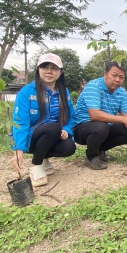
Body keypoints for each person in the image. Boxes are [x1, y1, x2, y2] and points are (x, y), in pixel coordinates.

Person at [10, 53, 76, 187]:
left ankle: (45, 161)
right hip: (33, 137)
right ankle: (36, 165)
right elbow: (20, 122)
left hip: (53, 134)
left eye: (54, 68)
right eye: (45, 67)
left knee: (69, 147)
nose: (49, 71)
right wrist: (18, 150)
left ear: (60, 72)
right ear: (38, 70)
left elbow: (71, 116)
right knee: (53, 127)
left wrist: (66, 130)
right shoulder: (26, 92)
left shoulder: (64, 92)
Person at [73, 61, 127, 170]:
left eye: (121, 77)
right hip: (83, 129)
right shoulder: (94, 86)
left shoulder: (122, 92)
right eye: (114, 75)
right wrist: (123, 119)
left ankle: (100, 151)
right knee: (101, 126)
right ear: (105, 74)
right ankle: (91, 156)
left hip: (105, 128)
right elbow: (94, 115)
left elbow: (126, 117)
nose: (117, 79)